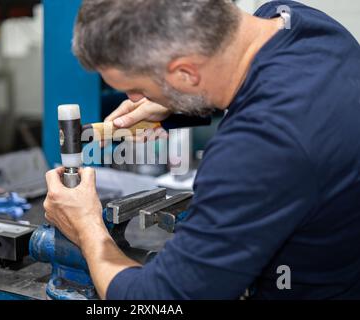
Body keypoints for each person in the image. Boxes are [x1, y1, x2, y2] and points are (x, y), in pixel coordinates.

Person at [43, 0, 360, 299]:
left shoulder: (255, 151)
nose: (135, 98)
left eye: (139, 89)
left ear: (186, 74)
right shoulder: (297, 22)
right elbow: (270, 91)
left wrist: (87, 227)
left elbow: (161, 301)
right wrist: (175, 105)